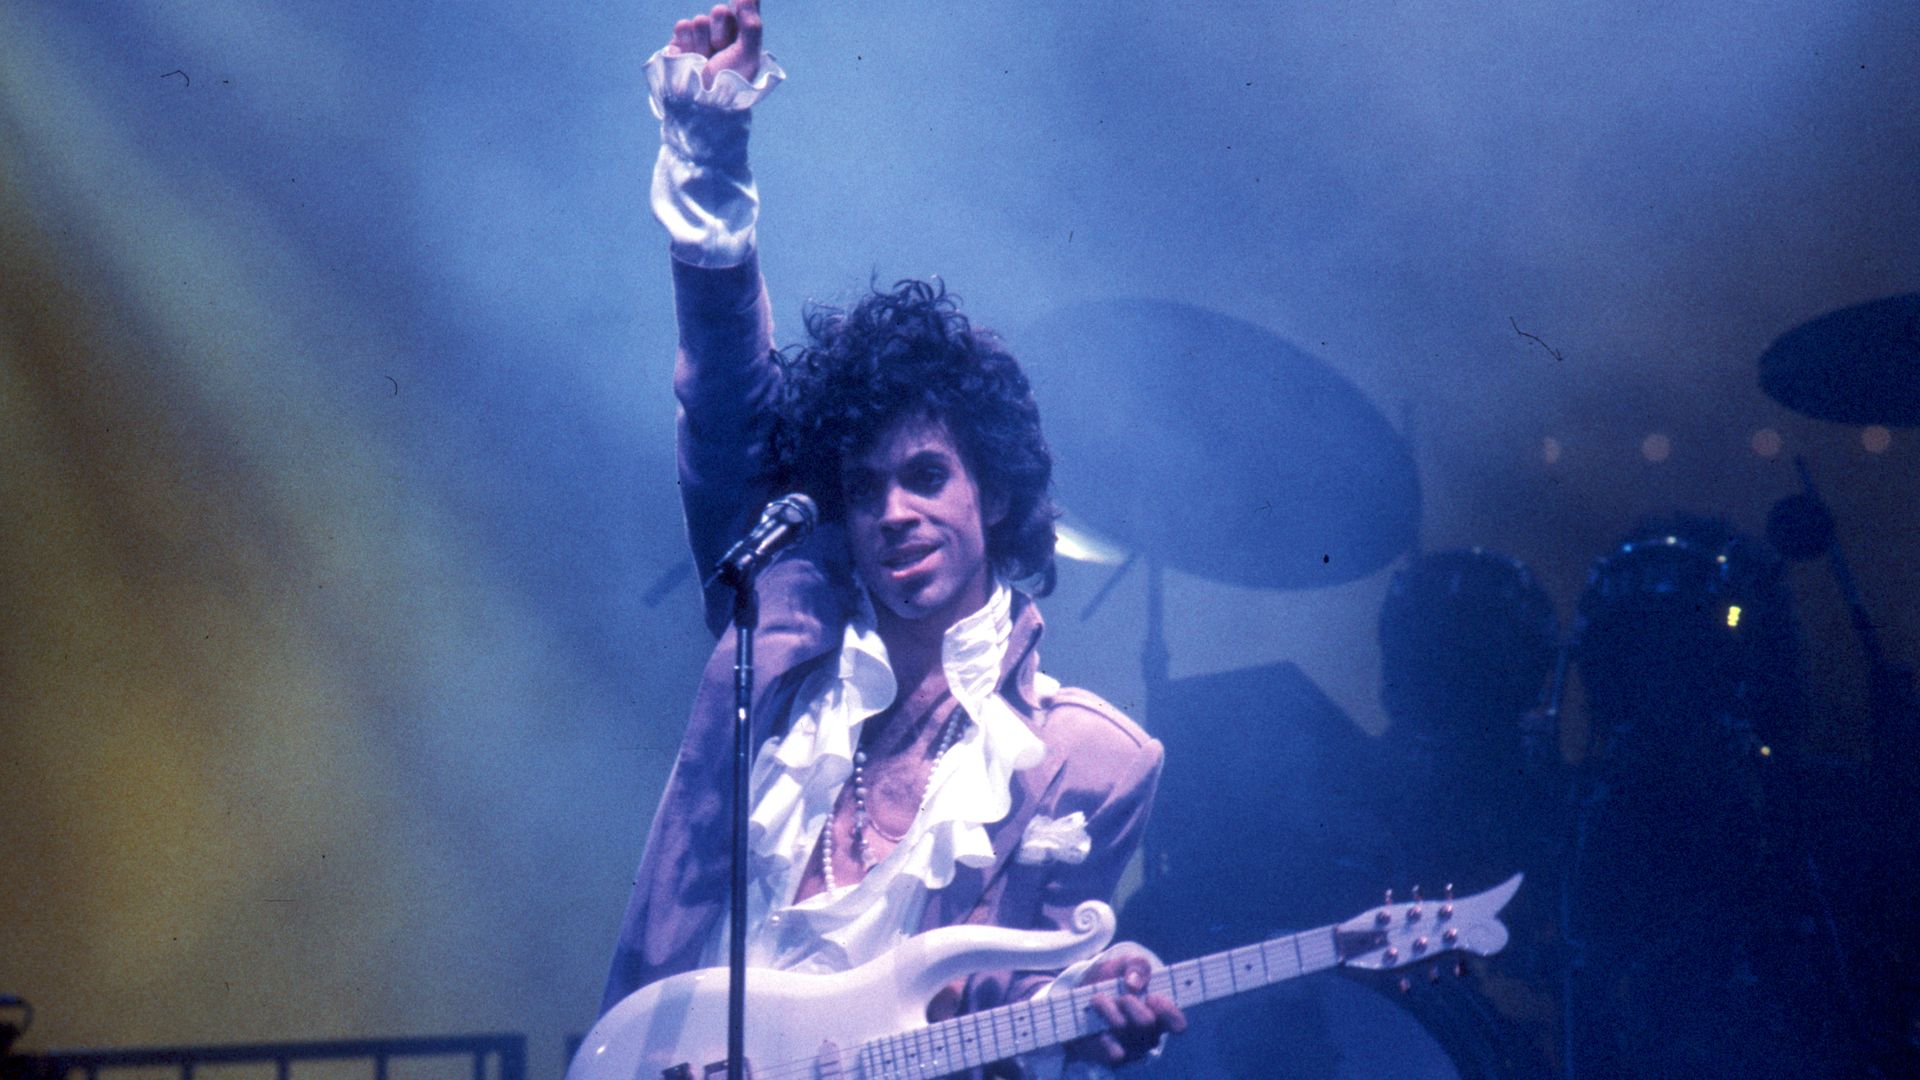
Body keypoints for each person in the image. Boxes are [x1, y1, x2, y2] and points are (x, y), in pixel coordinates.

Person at [598, 2, 1184, 1075]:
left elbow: (1015, 1000)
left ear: (994, 495)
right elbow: (724, 391)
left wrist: (1090, 1001)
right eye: (865, 488)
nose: (894, 512)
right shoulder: (777, 626)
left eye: (926, 476)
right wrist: (709, 145)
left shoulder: (1087, 761)